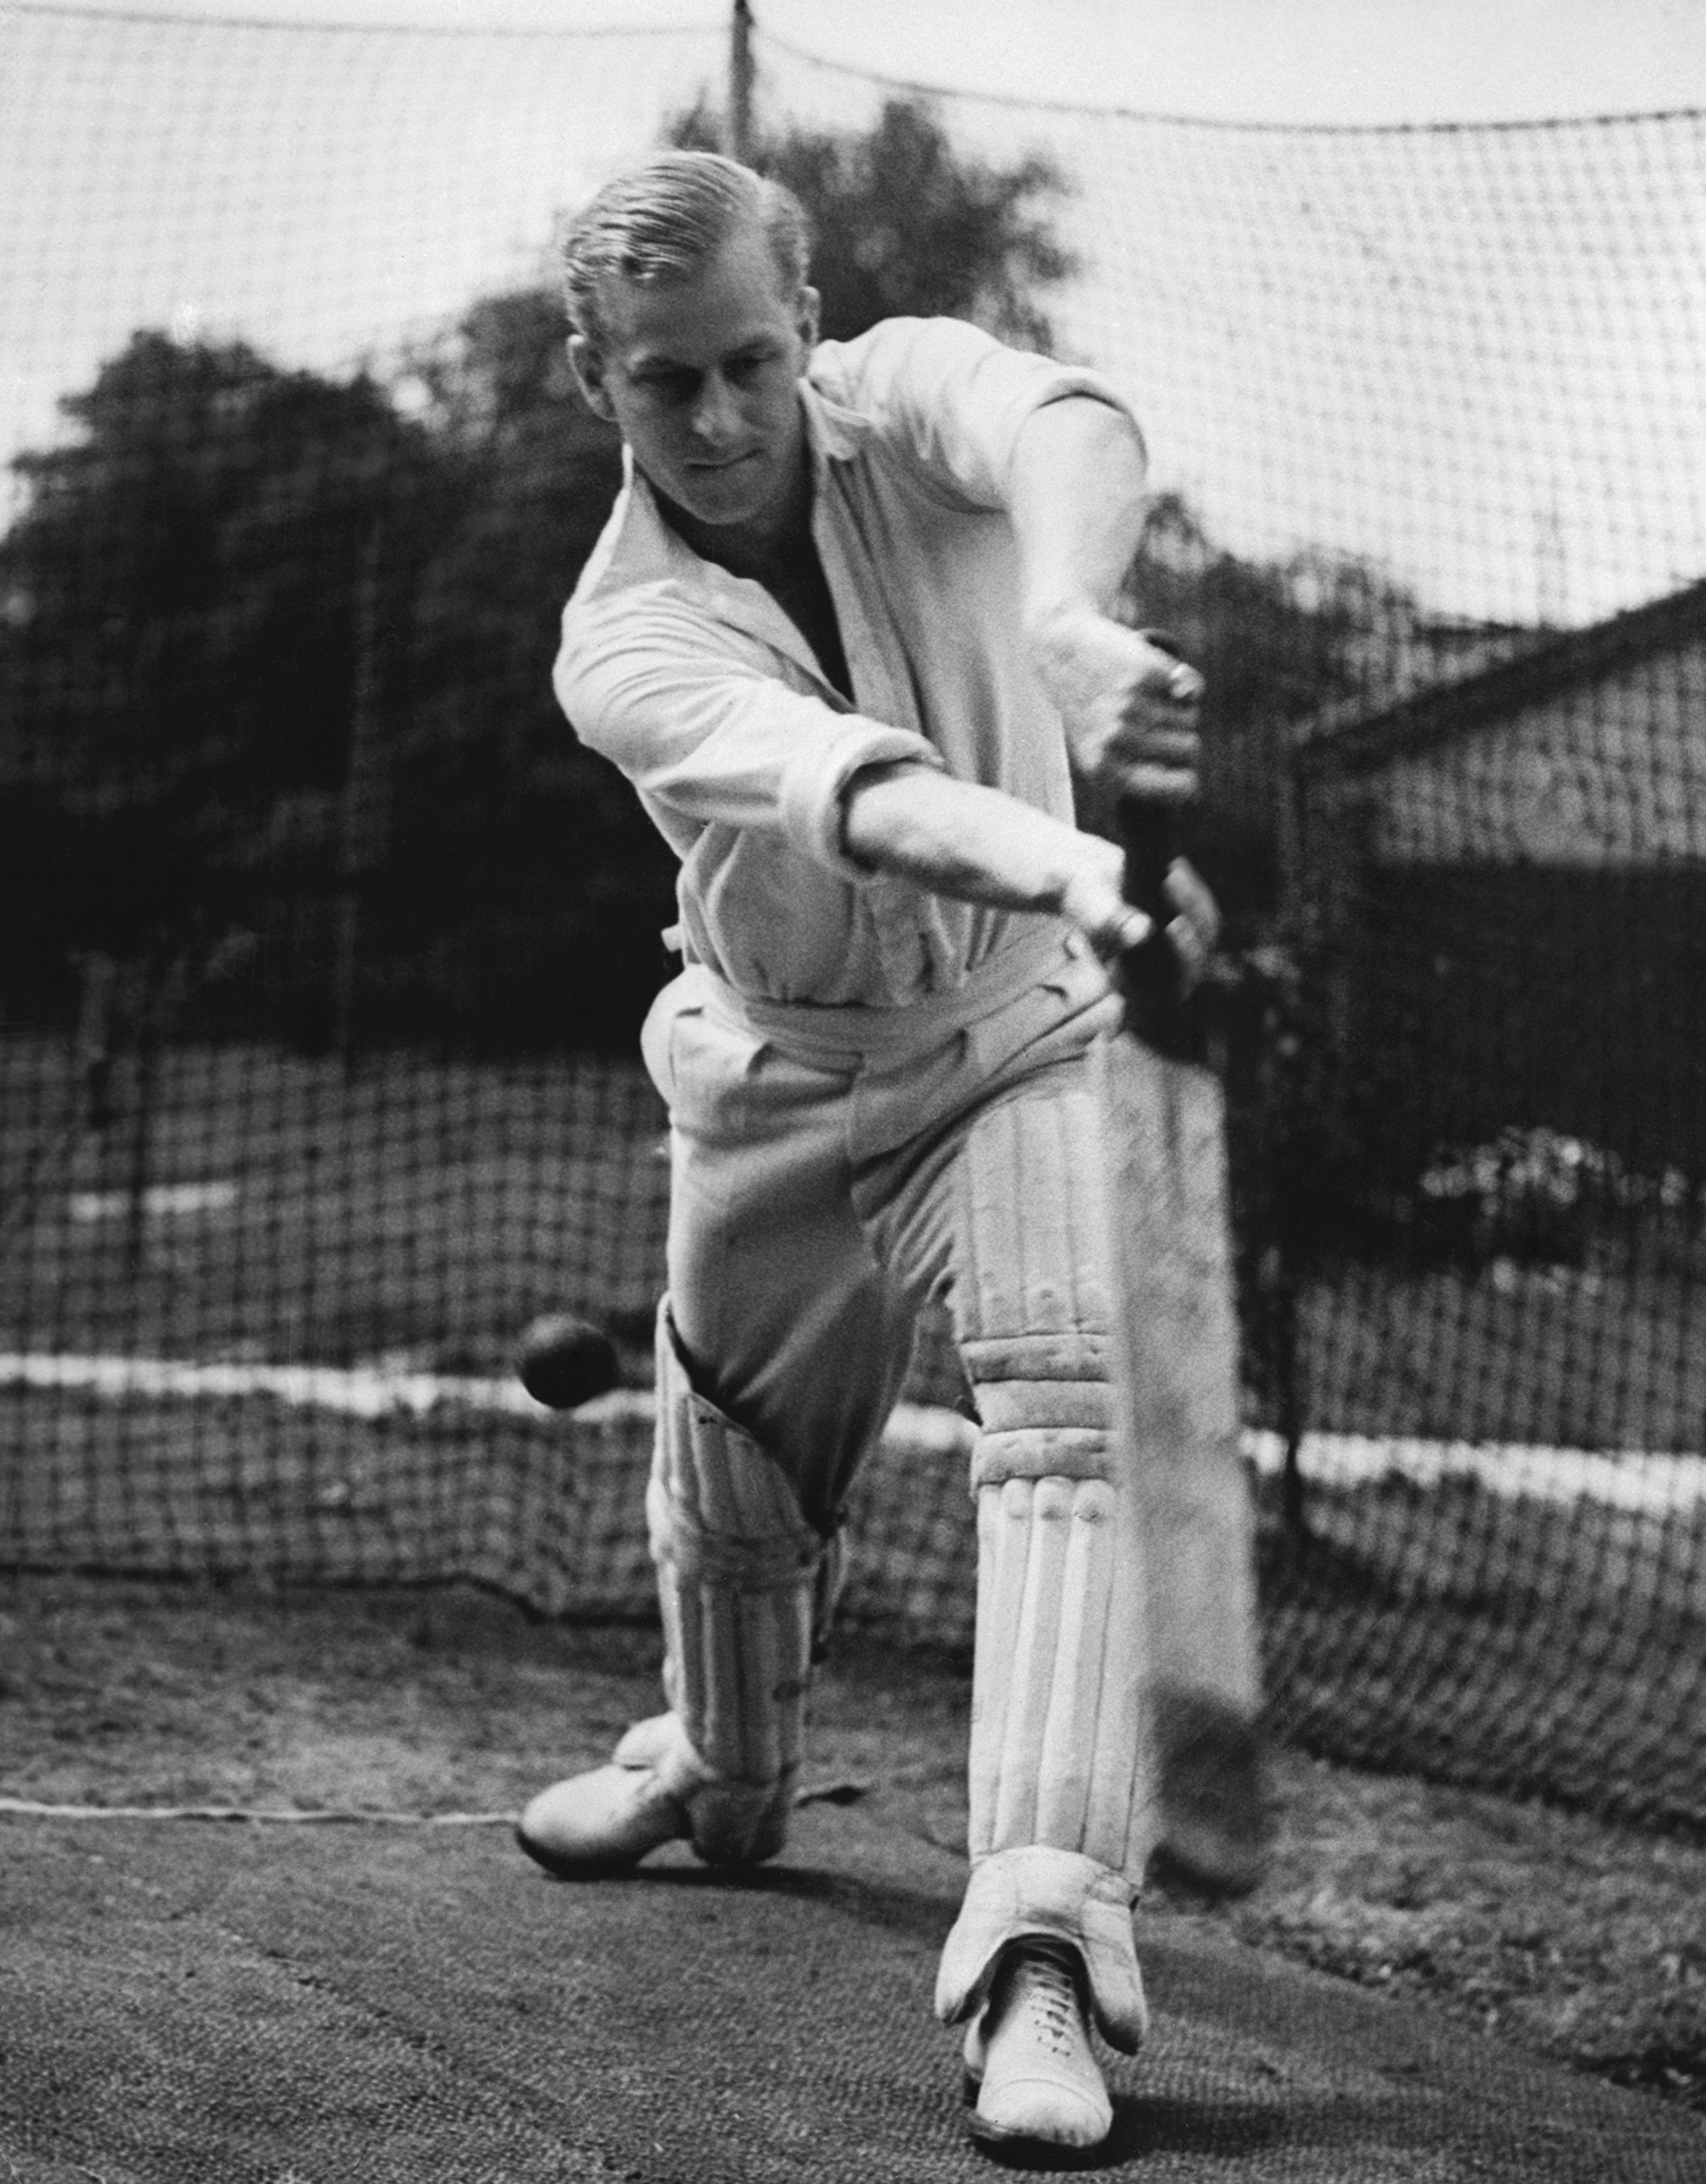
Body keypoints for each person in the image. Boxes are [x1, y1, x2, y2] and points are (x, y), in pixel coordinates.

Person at [517, 149, 1220, 2153]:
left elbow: (1071, 419)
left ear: (806, 327)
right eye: (668, 382)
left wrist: (1072, 612)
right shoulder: (624, 640)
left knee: (1067, 1419)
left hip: (1013, 1041)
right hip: (769, 1079)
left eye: (751, 358)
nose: (723, 417)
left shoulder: (902, 387)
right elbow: (873, 799)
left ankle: (1049, 1955)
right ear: (596, 380)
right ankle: (714, 1771)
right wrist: (1093, 870)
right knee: (732, 1495)